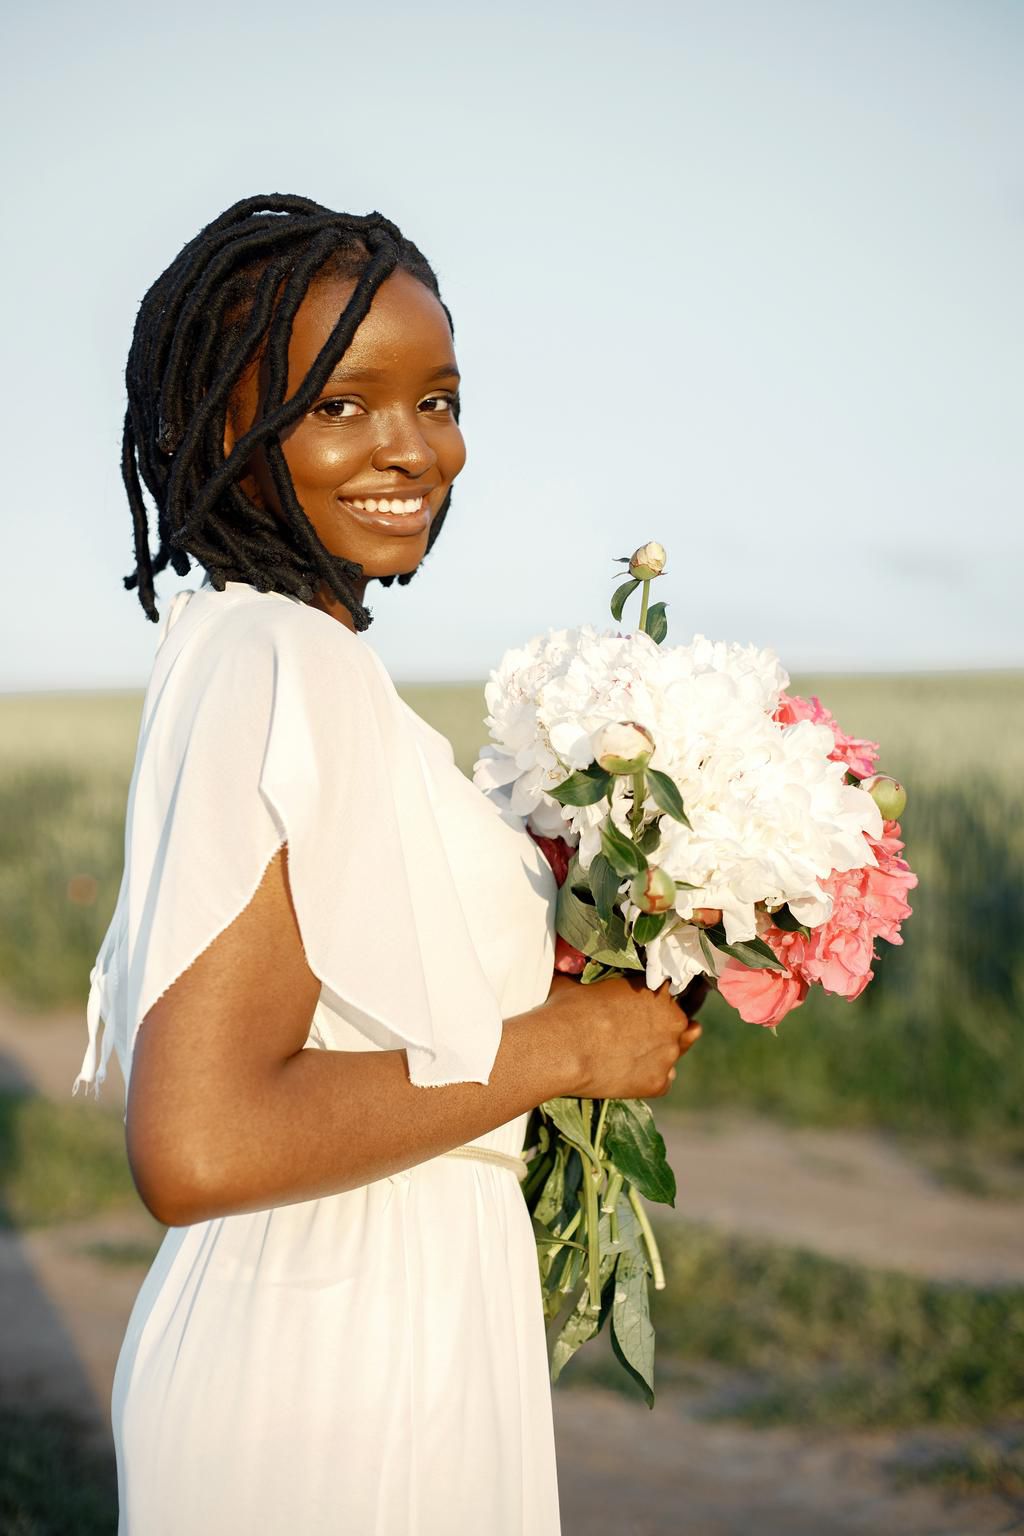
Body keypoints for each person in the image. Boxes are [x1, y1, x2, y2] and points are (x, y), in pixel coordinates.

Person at [71, 193, 703, 1536]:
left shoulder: (289, 656)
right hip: (331, 1363)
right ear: (222, 423)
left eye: (437, 399)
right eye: (338, 404)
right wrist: (569, 1048)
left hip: (390, 1328)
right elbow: (201, 1141)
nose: (409, 448)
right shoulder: (274, 662)